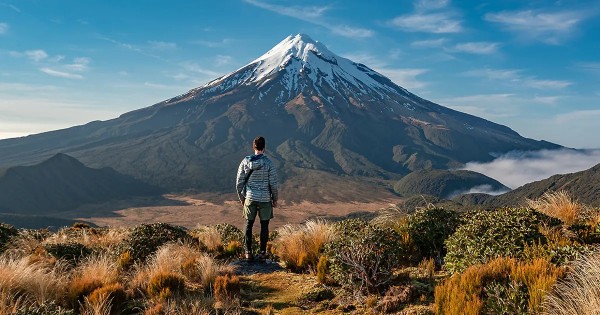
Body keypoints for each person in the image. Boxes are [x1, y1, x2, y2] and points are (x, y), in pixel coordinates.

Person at [235, 136, 278, 261]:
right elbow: (273, 184)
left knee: (248, 224)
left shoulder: (245, 162)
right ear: (264, 148)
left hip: (250, 197)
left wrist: (242, 198)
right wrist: (275, 199)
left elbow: (239, 182)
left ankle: (248, 252)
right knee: (264, 225)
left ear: (254, 147)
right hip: (265, 199)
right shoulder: (269, 163)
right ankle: (262, 253)